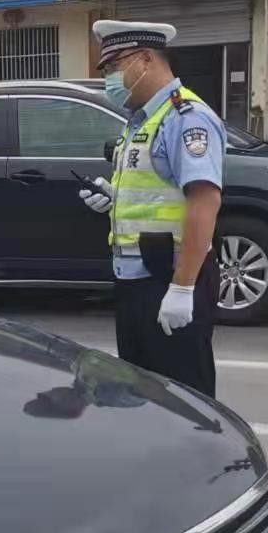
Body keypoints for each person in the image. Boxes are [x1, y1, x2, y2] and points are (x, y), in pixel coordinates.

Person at [78, 21, 225, 397]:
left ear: (145, 59)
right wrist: (113, 199)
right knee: (140, 393)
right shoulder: (139, 121)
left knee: (182, 398)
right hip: (135, 280)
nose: (110, 78)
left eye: (114, 66)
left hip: (168, 278)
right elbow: (157, 192)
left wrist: (182, 288)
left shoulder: (185, 118)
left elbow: (204, 200)